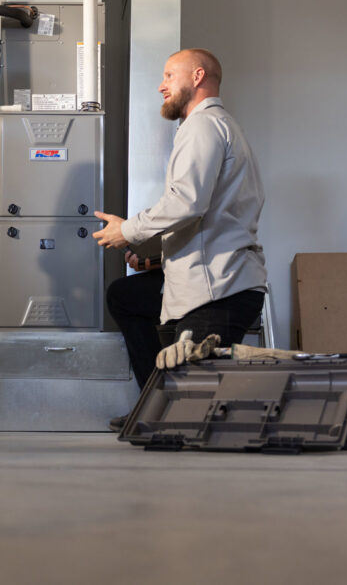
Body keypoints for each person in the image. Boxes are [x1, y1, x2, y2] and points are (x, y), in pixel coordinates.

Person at [93, 48, 267, 431]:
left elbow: (187, 203)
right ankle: (153, 402)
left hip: (219, 292)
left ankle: (165, 409)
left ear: (198, 76)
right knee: (126, 296)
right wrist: (154, 258)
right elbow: (211, 217)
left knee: (193, 415)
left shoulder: (203, 126)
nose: (162, 85)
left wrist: (128, 229)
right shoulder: (220, 127)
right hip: (219, 280)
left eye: (170, 75)